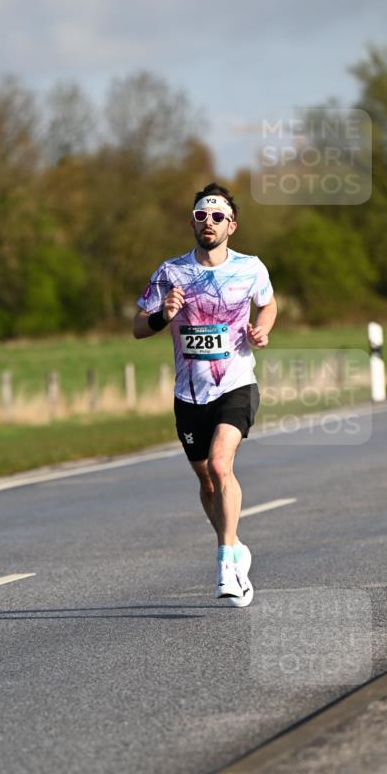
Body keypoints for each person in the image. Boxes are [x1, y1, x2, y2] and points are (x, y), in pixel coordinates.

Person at [133, 182, 278, 606]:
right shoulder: (170, 272)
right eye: (201, 215)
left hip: (236, 383)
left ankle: (225, 566)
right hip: (188, 393)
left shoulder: (251, 267)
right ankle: (234, 546)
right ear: (193, 222)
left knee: (220, 463)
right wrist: (164, 314)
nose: (208, 222)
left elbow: (268, 304)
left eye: (217, 216)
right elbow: (138, 327)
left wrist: (263, 329)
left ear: (231, 224)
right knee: (207, 480)